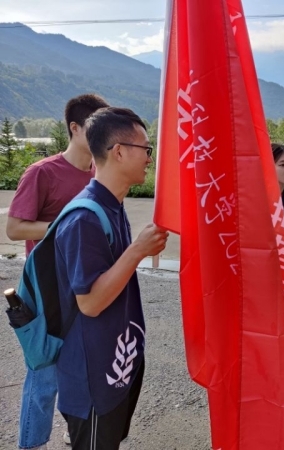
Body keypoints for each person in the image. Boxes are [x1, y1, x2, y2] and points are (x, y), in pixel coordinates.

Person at [52, 107, 168, 449]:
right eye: (146, 149)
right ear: (119, 151)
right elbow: (89, 303)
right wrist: (137, 251)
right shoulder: (84, 219)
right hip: (94, 376)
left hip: (117, 362)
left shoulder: (112, 205)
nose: (150, 158)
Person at [6, 93, 109, 450]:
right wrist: (66, 225)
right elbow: (15, 228)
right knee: (44, 376)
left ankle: (74, 430)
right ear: (74, 128)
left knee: (83, 370)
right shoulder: (42, 172)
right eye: (95, 127)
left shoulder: (100, 174)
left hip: (88, 285)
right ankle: (30, 444)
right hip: (46, 288)